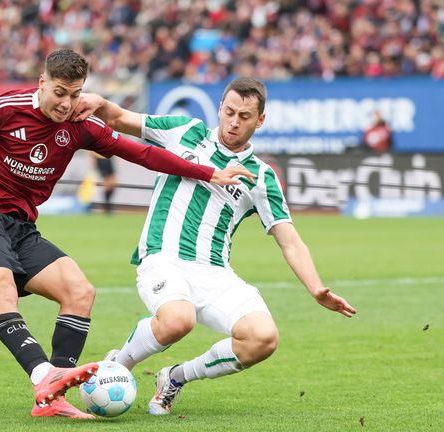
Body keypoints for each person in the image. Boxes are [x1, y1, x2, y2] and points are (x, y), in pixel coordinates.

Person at [0, 48, 255, 419]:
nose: (66, 103)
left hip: (22, 227)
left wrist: (208, 173)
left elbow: (140, 154)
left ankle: (55, 394)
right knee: (2, 286)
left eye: (75, 94)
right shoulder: (5, 108)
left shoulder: (80, 124)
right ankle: (45, 378)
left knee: (80, 291)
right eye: (60, 92)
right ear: (42, 83)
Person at [72, 77, 357, 415]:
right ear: (220, 107)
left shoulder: (262, 176)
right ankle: (118, 365)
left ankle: (175, 377)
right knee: (178, 320)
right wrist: (98, 102)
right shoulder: (185, 131)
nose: (234, 122)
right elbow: (120, 118)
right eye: (230, 112)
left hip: (214, 271)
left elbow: (289, 240)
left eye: (245, 116)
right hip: (163, 257)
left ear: (260, 120)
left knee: (262, 338)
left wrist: (316, 288)